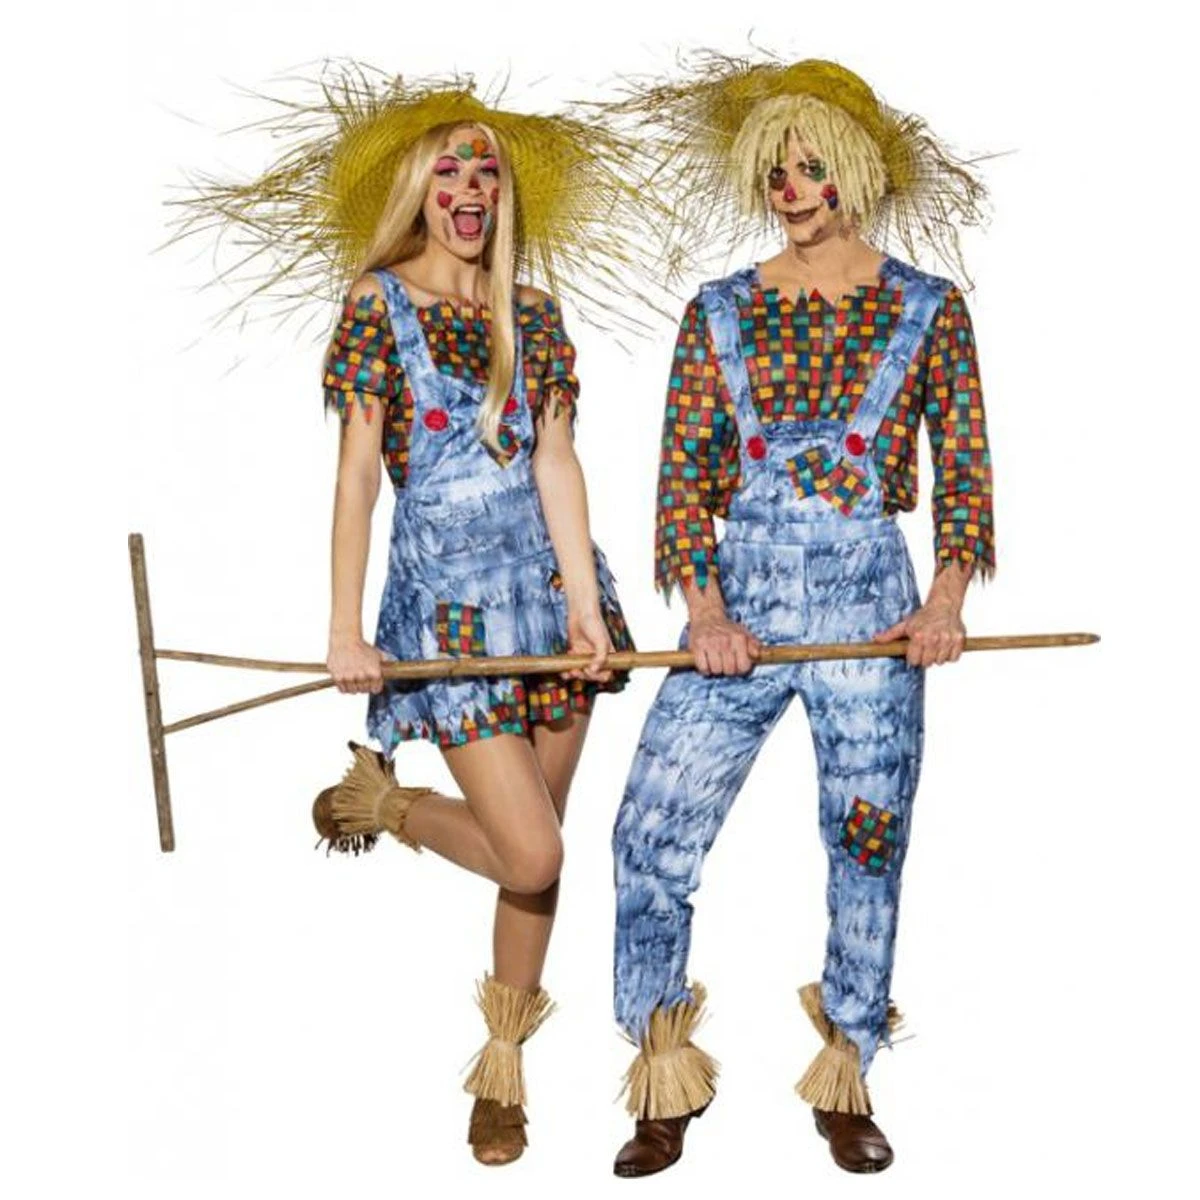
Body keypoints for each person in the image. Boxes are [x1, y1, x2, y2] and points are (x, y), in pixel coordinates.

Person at [174, 68, 643, 1167]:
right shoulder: (377, 304)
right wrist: (346, 631)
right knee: (530, 853)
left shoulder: (533, 311)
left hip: (549, 604)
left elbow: (558, 462)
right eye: (449, 171)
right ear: (421, 193)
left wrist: (587, 610)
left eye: (486, 171)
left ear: (503, 194)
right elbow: (356, 479)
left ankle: (503, 1069)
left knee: (541, 860)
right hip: (450, 620)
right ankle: (390, 805)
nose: (470, 188)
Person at [608, 58, 994, 1176]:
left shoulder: (928, 309)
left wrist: (942, 604)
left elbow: (965, 470)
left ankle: (848, 1072)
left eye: (812, 166)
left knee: (868, 841)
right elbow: (682, 481)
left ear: (855, 175)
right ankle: (661, 1071)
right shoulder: (719, 311)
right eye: (777, 170)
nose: (792, 188)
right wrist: (706, 612)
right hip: (742, 600)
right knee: (650, 834)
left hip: (873, 607)